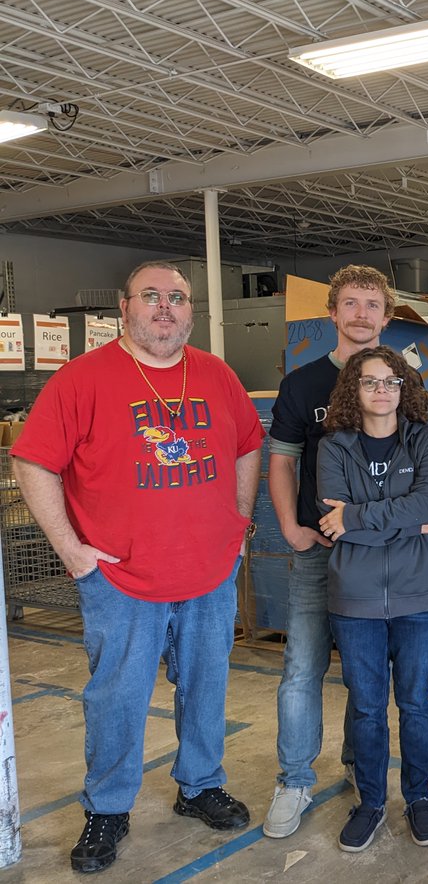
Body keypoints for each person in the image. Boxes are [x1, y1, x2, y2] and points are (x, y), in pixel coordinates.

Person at [12, 260, 264, 874]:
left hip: (208, 575)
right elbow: (31, 462)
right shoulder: (82, 379)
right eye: (150, 296)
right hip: (121, 580)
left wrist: (236, 526)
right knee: (117, 697)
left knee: (206, 687)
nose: (165, 307)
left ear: (190, 312)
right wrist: (71, 549)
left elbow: (248, 445)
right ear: (123, 308)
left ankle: (200, 785)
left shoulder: (216, 375)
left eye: (177, 298)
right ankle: (109, 807)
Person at [264, 264, 395, 838]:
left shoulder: (403, 382)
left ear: (386, 317)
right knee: (303, 666)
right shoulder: (302, 385)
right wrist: (292, 527)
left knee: (367, 673)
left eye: (372, 304)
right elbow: (283, 460)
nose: (361, 314)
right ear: (333, 313)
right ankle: (293, 779)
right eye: (351, 303)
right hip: (321, 550)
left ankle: (357, 761)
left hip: (381, 555)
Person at [316, 347, 428, 853]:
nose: (381, 391)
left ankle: (418, 797)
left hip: (420, 596)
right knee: (368, 708)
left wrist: (356, 519)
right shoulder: (334, 448)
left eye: (391, 382)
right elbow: (337, 521)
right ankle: (370, 802)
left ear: (404, 389)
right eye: (369, 382)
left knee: (416, 702)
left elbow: (425, 504)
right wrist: (400, 523)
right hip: (355, 599)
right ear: (354, 390)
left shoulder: (427, 441)